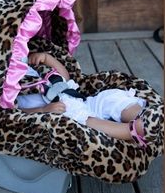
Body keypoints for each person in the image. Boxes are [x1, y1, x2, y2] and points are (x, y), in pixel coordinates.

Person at [17, 52, 147, 146]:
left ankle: (141, 115)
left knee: (110, 97)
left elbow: (65, 76)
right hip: (64, 113)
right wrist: (43, 109)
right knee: (84, 119)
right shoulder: (12, 91)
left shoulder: (39, 71)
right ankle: (130, 131)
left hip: (84, 101)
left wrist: (46, 58)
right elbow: (16, 113)